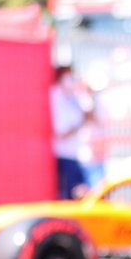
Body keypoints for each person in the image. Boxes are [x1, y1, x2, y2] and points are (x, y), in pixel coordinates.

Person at [50, 63, 97, 198]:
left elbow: (91, 117)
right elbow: (62, 133)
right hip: (63, 156)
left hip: (75, 155)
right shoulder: (56, 96)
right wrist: (81, 122)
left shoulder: (73, 98)